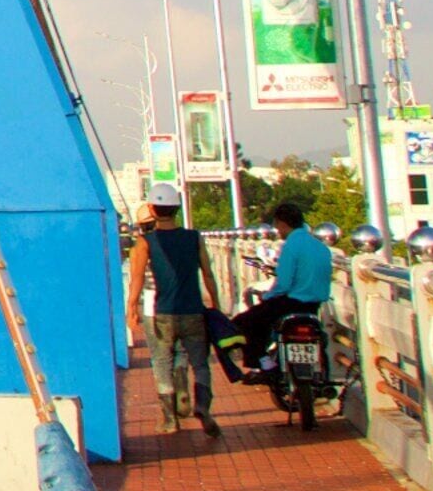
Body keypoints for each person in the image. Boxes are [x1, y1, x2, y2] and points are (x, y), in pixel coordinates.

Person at [133, 185, 226, 437]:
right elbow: (207, 273)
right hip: (194, 311)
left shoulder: (145, 242)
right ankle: (203, 408)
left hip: (163, 313)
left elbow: (137, 277)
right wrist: (216, 304)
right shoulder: (194, 237)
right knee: (200, 362)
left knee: (162, 362)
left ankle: (169, 419)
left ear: (152, 209)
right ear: (177, 209)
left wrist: (131, 308)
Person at [223, 198, 335, 378]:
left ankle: (263, 365)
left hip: (292, 302)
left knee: (245, 322)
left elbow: (284, 283)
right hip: (314, 304)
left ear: (281, 224)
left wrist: (267, 296)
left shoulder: (291, 245)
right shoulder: (320, 247)